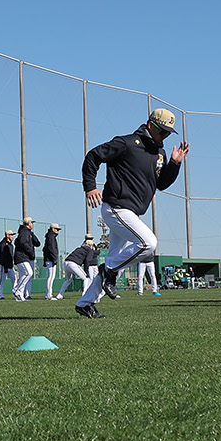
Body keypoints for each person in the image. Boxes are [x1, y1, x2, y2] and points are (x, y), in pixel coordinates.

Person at [74, 108, 190, 318]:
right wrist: (90, 186)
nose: (164, 136)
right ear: (151, 125)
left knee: (117, 259)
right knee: (148, 244)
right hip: (116, 207)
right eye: (162, 131)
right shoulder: (126, 143)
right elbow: (93, 156)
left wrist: (174, 164)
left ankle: (85, 303)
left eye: (168, 134)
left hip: (131, 213)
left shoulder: (160, 154)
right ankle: (108, 270)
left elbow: (161, 184)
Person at [57, 235, 96, 299]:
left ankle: (60, 294)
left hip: (65, 263)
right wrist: (87, 272)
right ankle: (85, 294)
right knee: (86, 278)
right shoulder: (89, 250)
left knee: (68, 279)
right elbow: (87, 261)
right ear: (91, 245)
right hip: (73, 264)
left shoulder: (79, 248)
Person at [13, 217, 39, 301]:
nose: (32, 224)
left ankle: (19, 295)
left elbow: (37, 243)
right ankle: (16, 290)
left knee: (24, 275)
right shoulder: (24, 232)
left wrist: (32, 235)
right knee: (29, 273)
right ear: (28, 223)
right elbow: (22, 243)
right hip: (21, 256)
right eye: (31, 222)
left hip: (23, 256)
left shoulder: (27, 232)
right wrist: (30, 251)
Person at [43, 222, 62, 299]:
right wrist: (54, 259)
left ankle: (48, 294)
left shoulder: (50, 236)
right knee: (50, 277)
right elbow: (51, 248)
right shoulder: (51, 236)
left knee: (50, 277)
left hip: (49, 259)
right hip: (50, 259)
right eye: (57, 229)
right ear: (53, 229)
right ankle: (49, 295)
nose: (58, 231)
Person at [0, 230, 16, 299]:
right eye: (11, 235)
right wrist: (5, 266)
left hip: (10, 265)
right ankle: (0, 294)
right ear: (7, 235)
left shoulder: (11, 245)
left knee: (14, 279)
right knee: (2, 280)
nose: (12, 237)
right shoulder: (3, 244)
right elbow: (3, 256)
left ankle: (15, 292)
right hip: (3, 266)